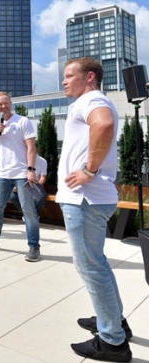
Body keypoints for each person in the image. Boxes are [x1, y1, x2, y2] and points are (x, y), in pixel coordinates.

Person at [59, 57, 132, 362]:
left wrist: (88, 171)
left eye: (68, 75)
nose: (63, 81)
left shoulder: (92, 99)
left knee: (91, 267)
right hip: (89, 198)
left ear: (89, 77)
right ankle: (114, 322)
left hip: (84, 199)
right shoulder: (91, 99)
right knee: (97, 264)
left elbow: (104, 124)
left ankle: (112, 342)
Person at [0, 92, 41, 262]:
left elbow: (31, 147)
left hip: (22, 173)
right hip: (2, 174)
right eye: (0, 104)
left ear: (11, 103)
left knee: (29, 211)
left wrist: (31, 169)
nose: (3, 106)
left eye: (6, 103)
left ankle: (34, 246)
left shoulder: (22, 121)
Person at [9, 144, 47, 217]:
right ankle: (30, 215)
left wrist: (34, 187)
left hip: (34, 185)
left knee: (42, 196)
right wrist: (15, 186)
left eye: (33, 149)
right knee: (12, 196)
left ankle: (31, 215)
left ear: (37, 150)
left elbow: (43, 178)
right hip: (21, 185)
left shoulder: (42, 161)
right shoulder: (21, 160)